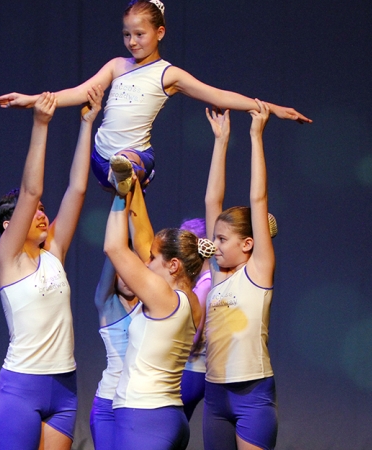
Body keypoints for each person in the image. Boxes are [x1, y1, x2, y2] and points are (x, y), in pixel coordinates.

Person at [0, 0, 311, 196]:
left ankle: (127, 176)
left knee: (128, 164)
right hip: (100, 159)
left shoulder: (168, 74)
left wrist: (271, 107)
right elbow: (78, 93)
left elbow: (219, 96)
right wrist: (32, 99)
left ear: (160, 32)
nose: (132, 41)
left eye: (139, 34)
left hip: (137, 158)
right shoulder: (117, 66)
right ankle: (120, 177)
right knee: (118, 173)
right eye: (126, 34)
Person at [0, 86, 103, 450]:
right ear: (9, 226)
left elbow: (78, 188)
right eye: (34, 213)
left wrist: (87, 124)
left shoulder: (53, 251)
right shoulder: (8, 258)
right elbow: (31, 190)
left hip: (64, 387)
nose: (41, 214)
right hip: (21, 387)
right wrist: (41, 123)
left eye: (43, 211)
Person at [103, 177, 215, 449]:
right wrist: (135, 185)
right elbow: (143, 238)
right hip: (169, 416)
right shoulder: (190, 301)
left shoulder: (164, 298)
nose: (146, 261)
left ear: (174, 265)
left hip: (144, 417)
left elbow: (114, 248)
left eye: (153, 258)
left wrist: (120, 195)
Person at [202, 102, 278, 450]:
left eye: (222, 239)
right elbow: (211, 199)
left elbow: (257, 197)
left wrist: (255, 136)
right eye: (214, 238)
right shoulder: (218, 273)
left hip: (252, 393)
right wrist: (220, 141)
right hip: (215, 393)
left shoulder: (258, 270)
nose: (214, 245)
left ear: (249, 243)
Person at [90, 178, 154, 449]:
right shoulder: (107, 304)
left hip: (139, 403)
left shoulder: (151, 303)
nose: (128, 278)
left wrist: (136, 194)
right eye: (121, 273)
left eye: (133, 272)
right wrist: (121, 196)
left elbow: (146, 247)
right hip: (107, 404)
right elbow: (114, 252)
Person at [179, 218, 212, 421]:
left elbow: (194, 332)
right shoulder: (203, 282)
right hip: (194, 370)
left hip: (192, 369)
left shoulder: (205, 284)